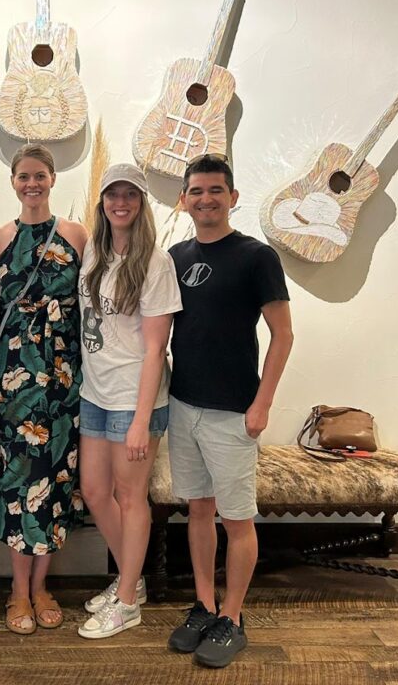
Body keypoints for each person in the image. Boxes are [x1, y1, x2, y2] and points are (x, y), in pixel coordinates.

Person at [166, 154, 293, 669]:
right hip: (182, 405)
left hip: (233, 412)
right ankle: (204, 603)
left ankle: (234, 616)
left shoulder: (257, 257)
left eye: (216, 190)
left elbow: (282, 335)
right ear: (185, 200)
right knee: (198, 510)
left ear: (232, 197)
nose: (206, 199)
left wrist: (261, 403)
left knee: (236, 520)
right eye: (196, 191)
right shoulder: (174, 256)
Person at [0, 143, 88, 634]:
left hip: (64, 376)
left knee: (57, 477)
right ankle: (17, 592)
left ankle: (43, 587)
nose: (32, 184)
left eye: (39, 175)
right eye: (23, 176)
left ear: (52, 179)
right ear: (13, 181)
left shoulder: (77, 234)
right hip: (15, 378)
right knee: (20, 481)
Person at [76, 163, 182, 639]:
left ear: (141, 203)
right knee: (95, 492)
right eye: (112, 194)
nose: (121, 202)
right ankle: (130, 581)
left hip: (134, 398)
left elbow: (156, 347)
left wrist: (142, 420)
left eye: (130, 195)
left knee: (129, 496)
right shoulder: (93, 250)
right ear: (102, 201)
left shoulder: (156, 263)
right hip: (93, 393)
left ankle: (126, 603)